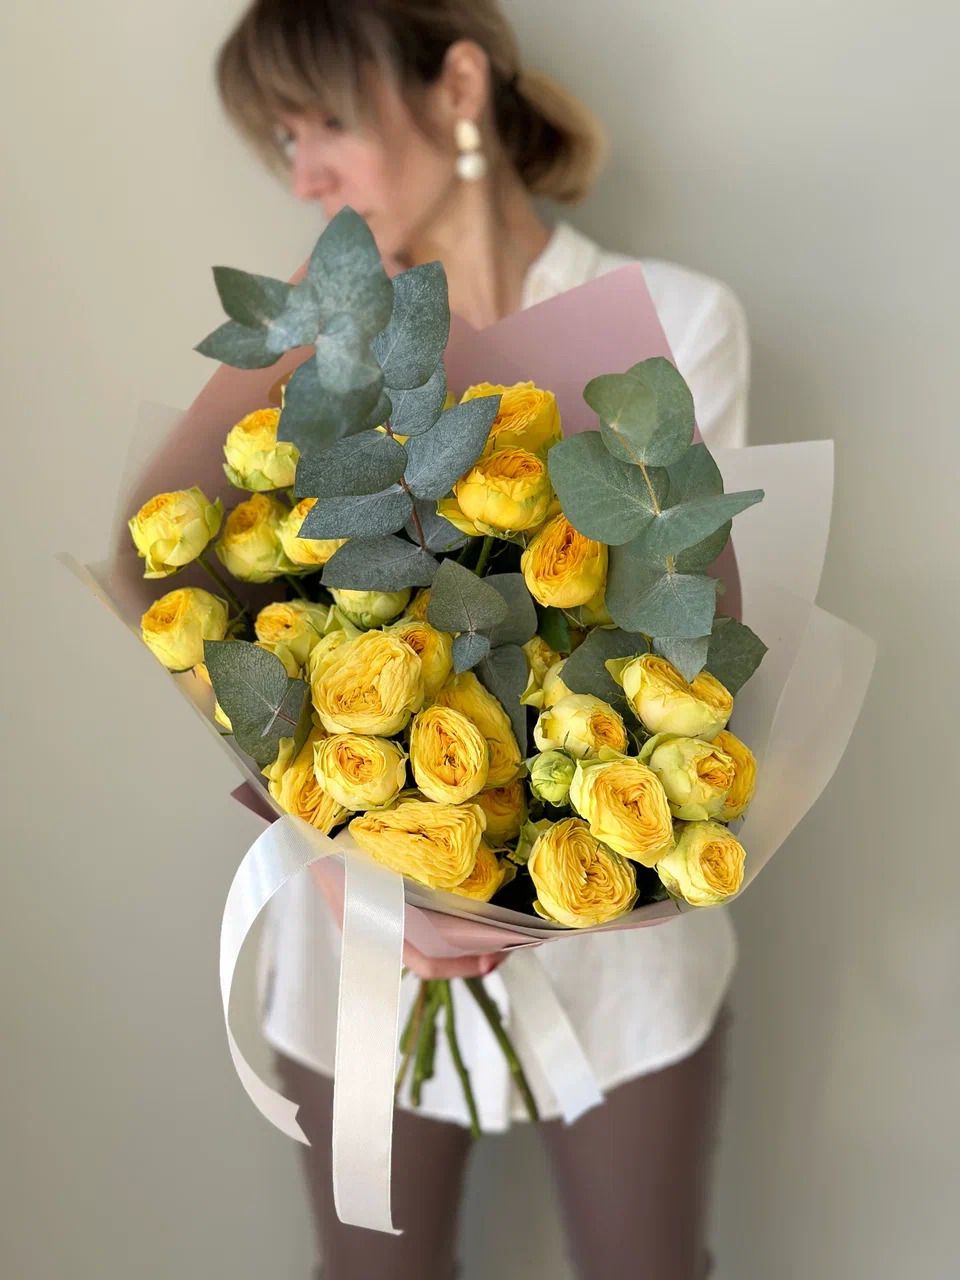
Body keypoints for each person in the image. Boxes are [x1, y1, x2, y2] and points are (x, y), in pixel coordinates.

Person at [213, 2, 750, 1276]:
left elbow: (697, 646)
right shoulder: (318, 350)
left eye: (326, 121)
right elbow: (259, 638)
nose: (305, 175)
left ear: (459, 87)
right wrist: (338, 851)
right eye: (283, 139)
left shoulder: (676, 322)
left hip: (618, 938)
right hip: (357, 937)